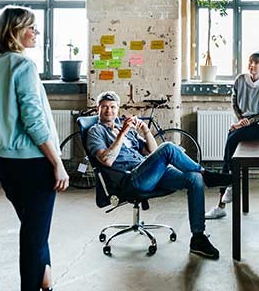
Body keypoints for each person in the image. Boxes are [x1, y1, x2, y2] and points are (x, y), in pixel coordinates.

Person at [0, 5, 68, 291]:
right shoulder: (23, 66)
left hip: (5, 165)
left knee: (34, 234)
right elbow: (34, 120)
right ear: (16, 30)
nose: (37, 34)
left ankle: (48, 290)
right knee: (33, 238)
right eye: (32, 28)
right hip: (34, 163)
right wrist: (56, 161)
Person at [86, 91, 231, 260]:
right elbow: (107, 160)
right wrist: (122, 134)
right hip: (131, 180)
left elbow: (154, 152)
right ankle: (208, 175)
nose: (108, 111)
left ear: (118, 109)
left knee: (194, 178)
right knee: (168, 147)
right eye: (104, 107)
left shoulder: (123, 129)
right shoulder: (95, 131)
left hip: (148, 173)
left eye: (112, 107)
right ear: (98, 109)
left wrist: (146, 131)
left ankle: (198, 238)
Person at [205, 50, 259, 220]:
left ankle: (225, 194)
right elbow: (235, 102)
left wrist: (244, 123)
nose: (252, 65)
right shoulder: (240, 80)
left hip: (257, 127)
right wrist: (240, 120)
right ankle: (226, 191)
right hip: (242, 123)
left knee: (232, 138)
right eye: (250, 62)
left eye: (256, 63)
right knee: (231, 142)